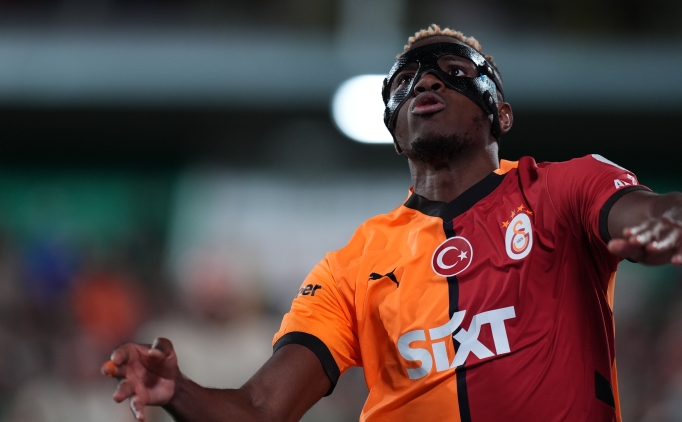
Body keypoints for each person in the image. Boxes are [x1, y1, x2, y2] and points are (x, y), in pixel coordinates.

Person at [103, 24, 682, 422]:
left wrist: (665, 220)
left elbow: (646, 212)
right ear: (396, 130)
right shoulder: (350, 268)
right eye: (406, 82)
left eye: (454, 71)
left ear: (500, 114)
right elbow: (261, 409)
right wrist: (178, 392)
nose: (426, 82)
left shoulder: (562, 188)